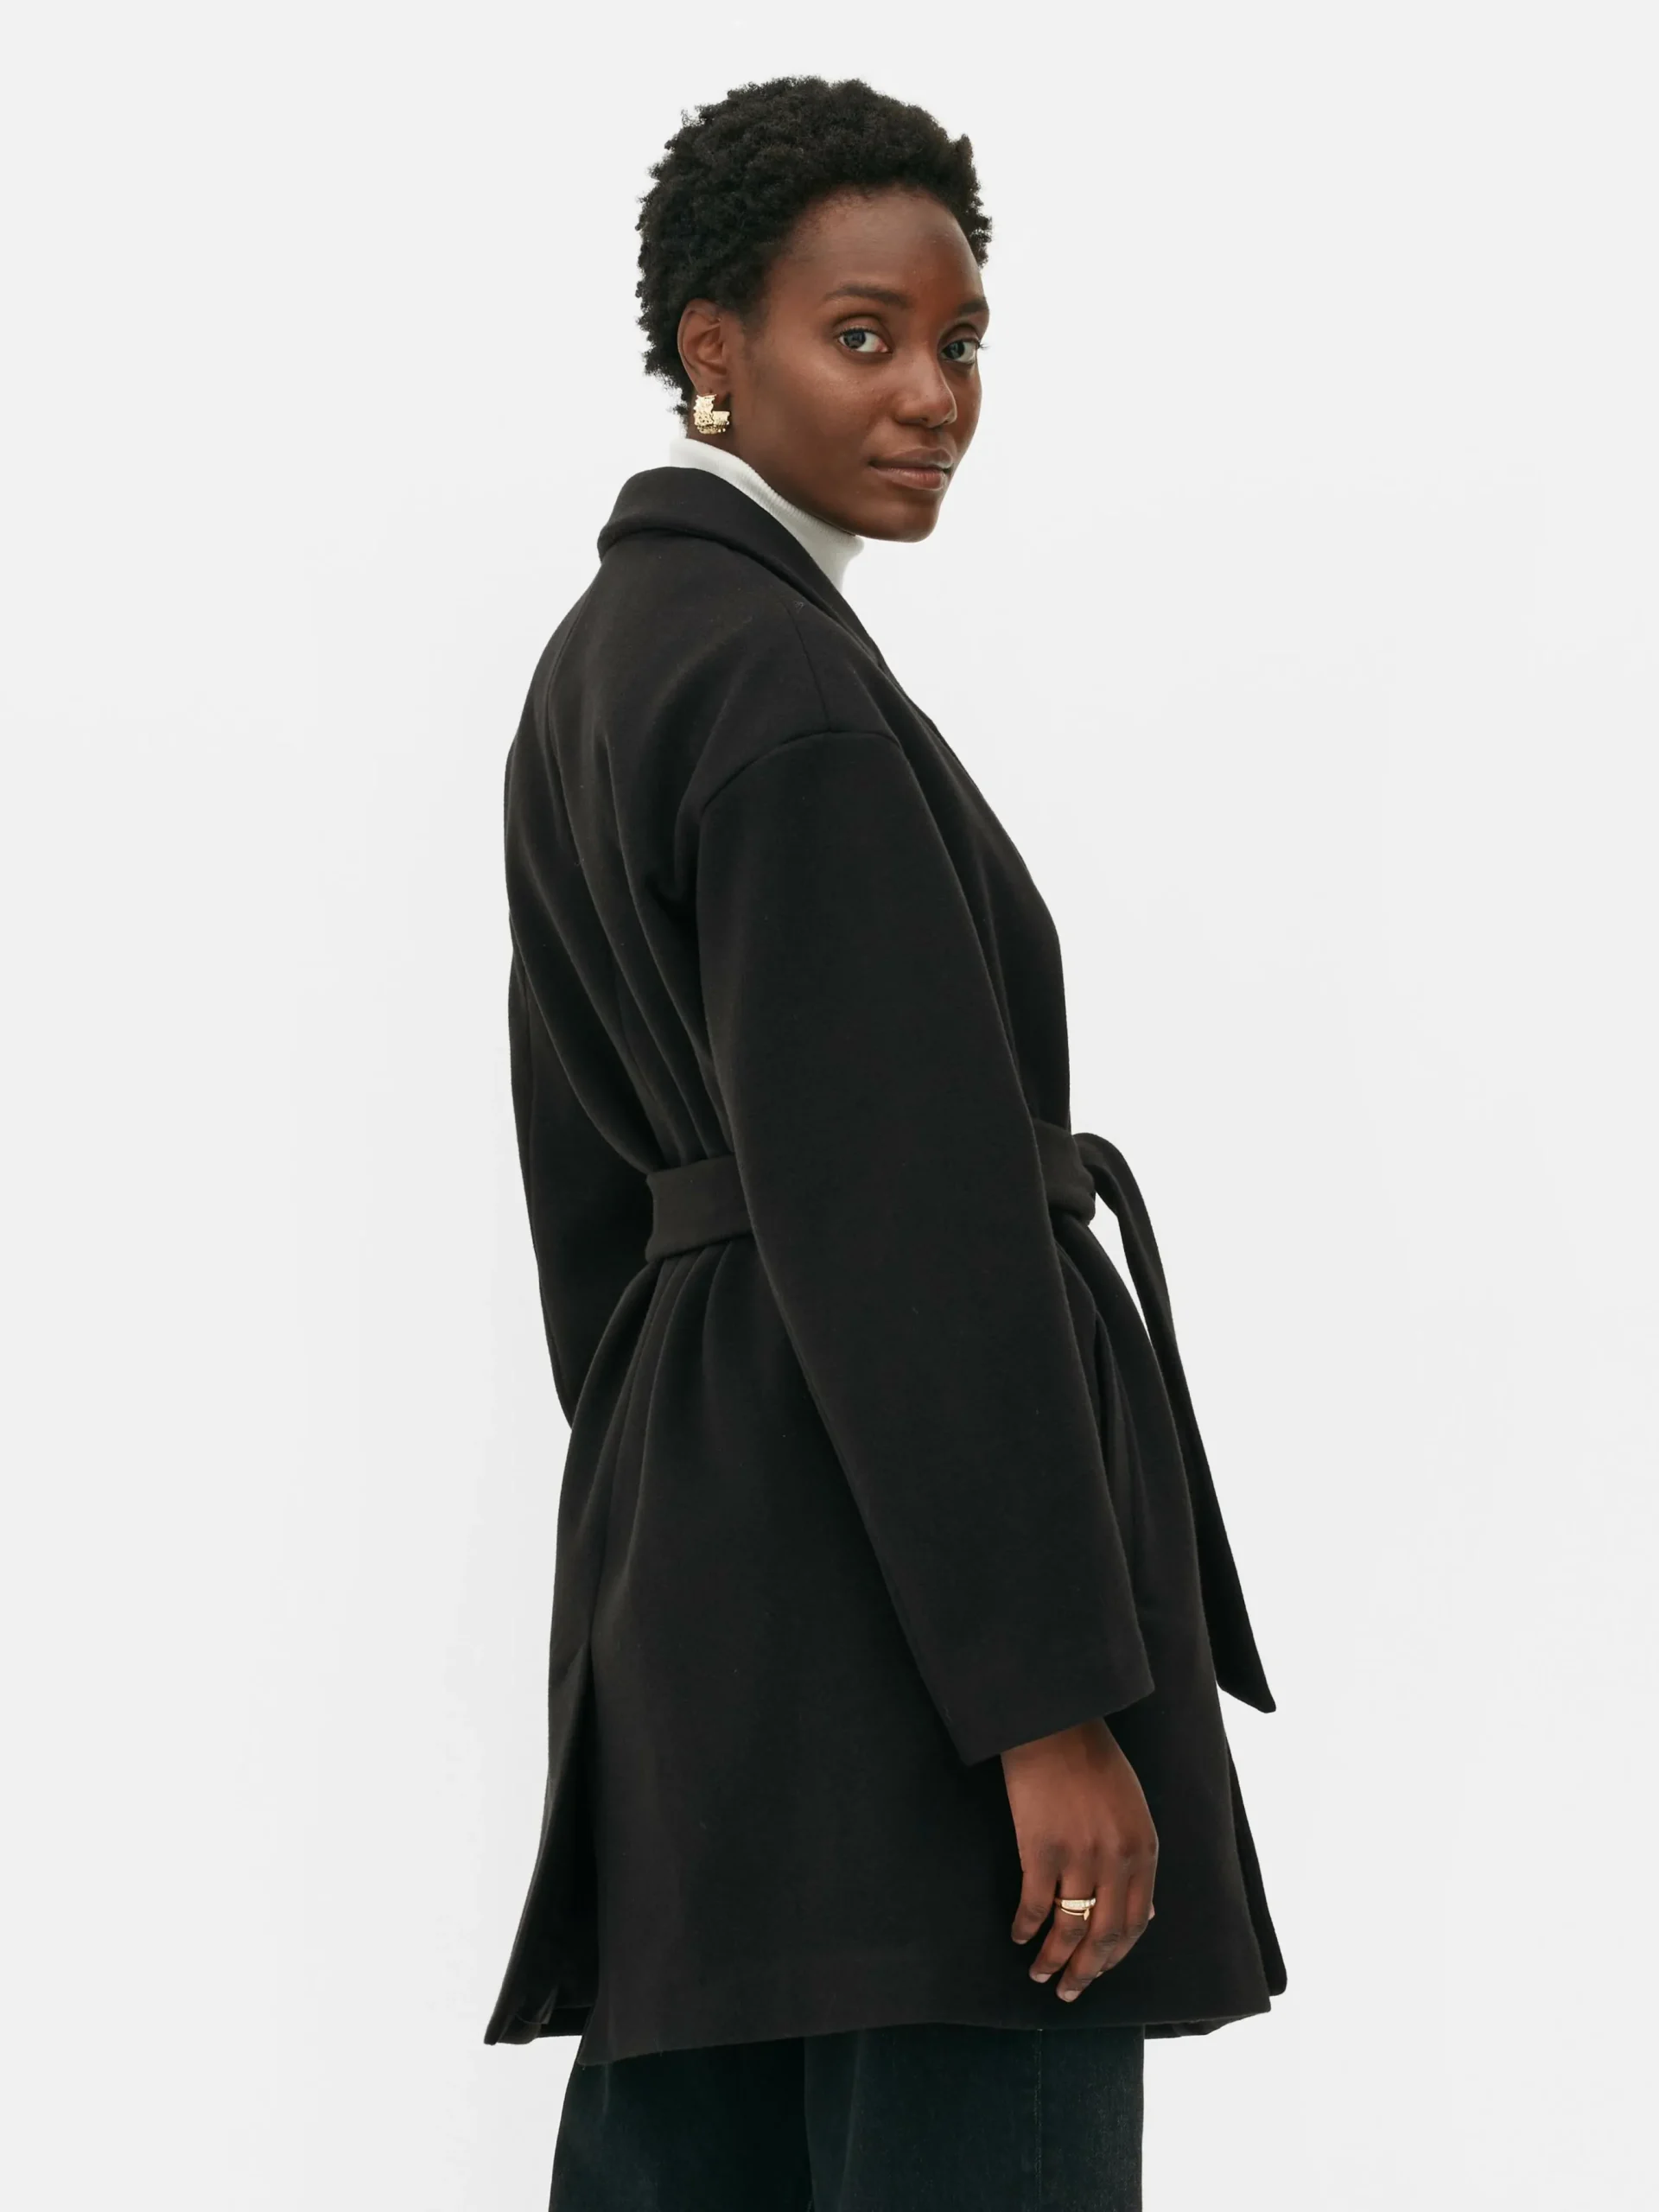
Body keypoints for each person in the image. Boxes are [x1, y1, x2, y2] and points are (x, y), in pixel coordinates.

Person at [484, 74, 1286, 2211]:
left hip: (710, 1633)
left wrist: (699, 1532)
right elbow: (910, 1223)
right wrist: (1046, 1708)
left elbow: (588, 1225)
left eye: (961, 341)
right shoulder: (783, 693)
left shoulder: (603, 670)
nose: (933, 394)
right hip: (920, 1670)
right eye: (864, 336)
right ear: (712, 348)